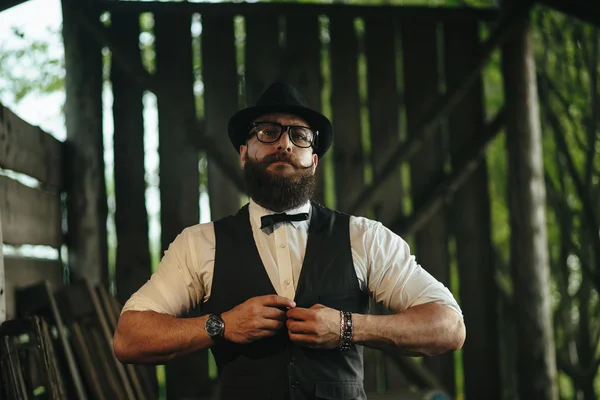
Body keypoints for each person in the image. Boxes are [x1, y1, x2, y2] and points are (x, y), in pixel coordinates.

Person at [113, 82, 465, 400]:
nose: (284, 143)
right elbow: (129, 337)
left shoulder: (364, 237)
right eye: (268, 132)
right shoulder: (199, 244)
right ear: (244, 152)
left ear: (312, 160)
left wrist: (348, 326)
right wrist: (220, 325)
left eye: (299, 135)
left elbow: (449, 327)